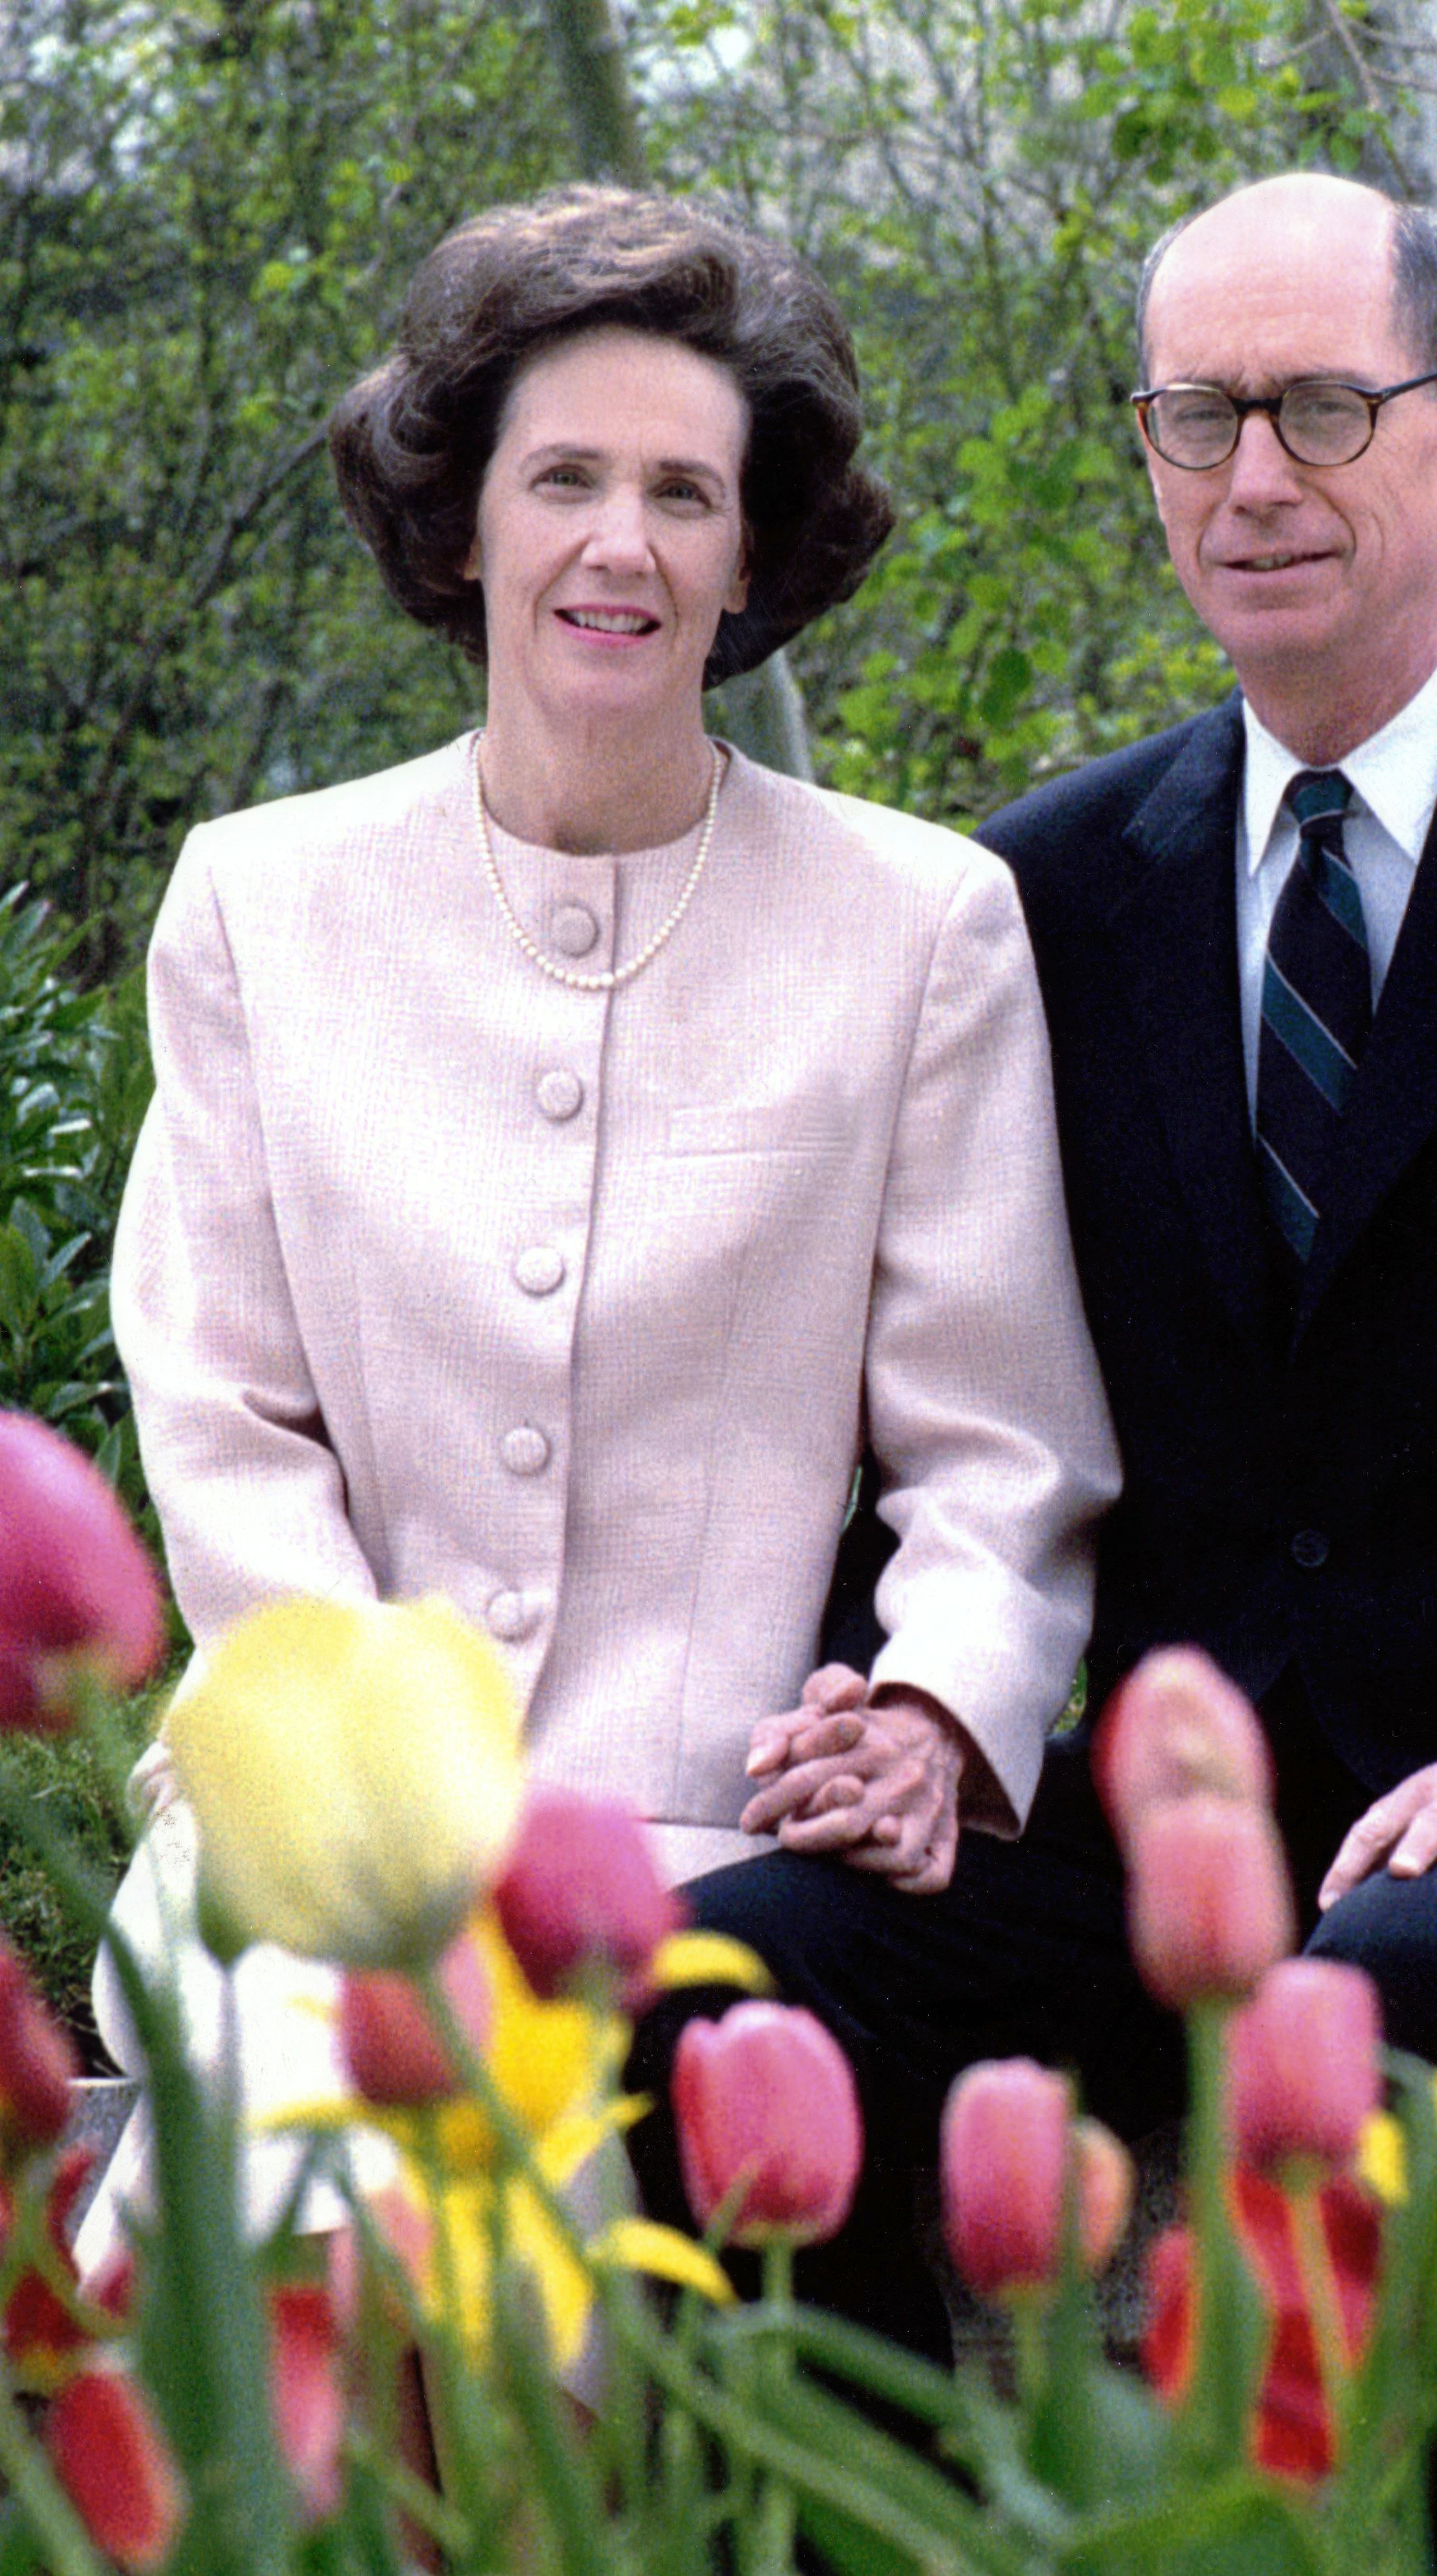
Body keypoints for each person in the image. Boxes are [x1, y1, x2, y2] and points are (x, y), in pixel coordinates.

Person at [670, 170, 1437, 2332]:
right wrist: (920, 1711)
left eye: (1322, 410)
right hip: (1178, 1827)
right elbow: (964, 1401)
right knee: (737, 1984)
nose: (1252, 479)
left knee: (1372, 2014)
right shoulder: (1045, 892)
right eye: (1197, 417)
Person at [89, 184, 1119, 2290]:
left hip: (708, 1859)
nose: (620, 545)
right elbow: (219, 1417)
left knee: (543, 2141)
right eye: (564, 478)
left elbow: (1003, 1452)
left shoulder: (921, 926)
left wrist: (937, 1714)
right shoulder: (258, 906)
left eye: (684, 492)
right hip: (302, 1853)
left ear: (753, 555)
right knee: (344, 2170)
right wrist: (369, 1805)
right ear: (461, 520)